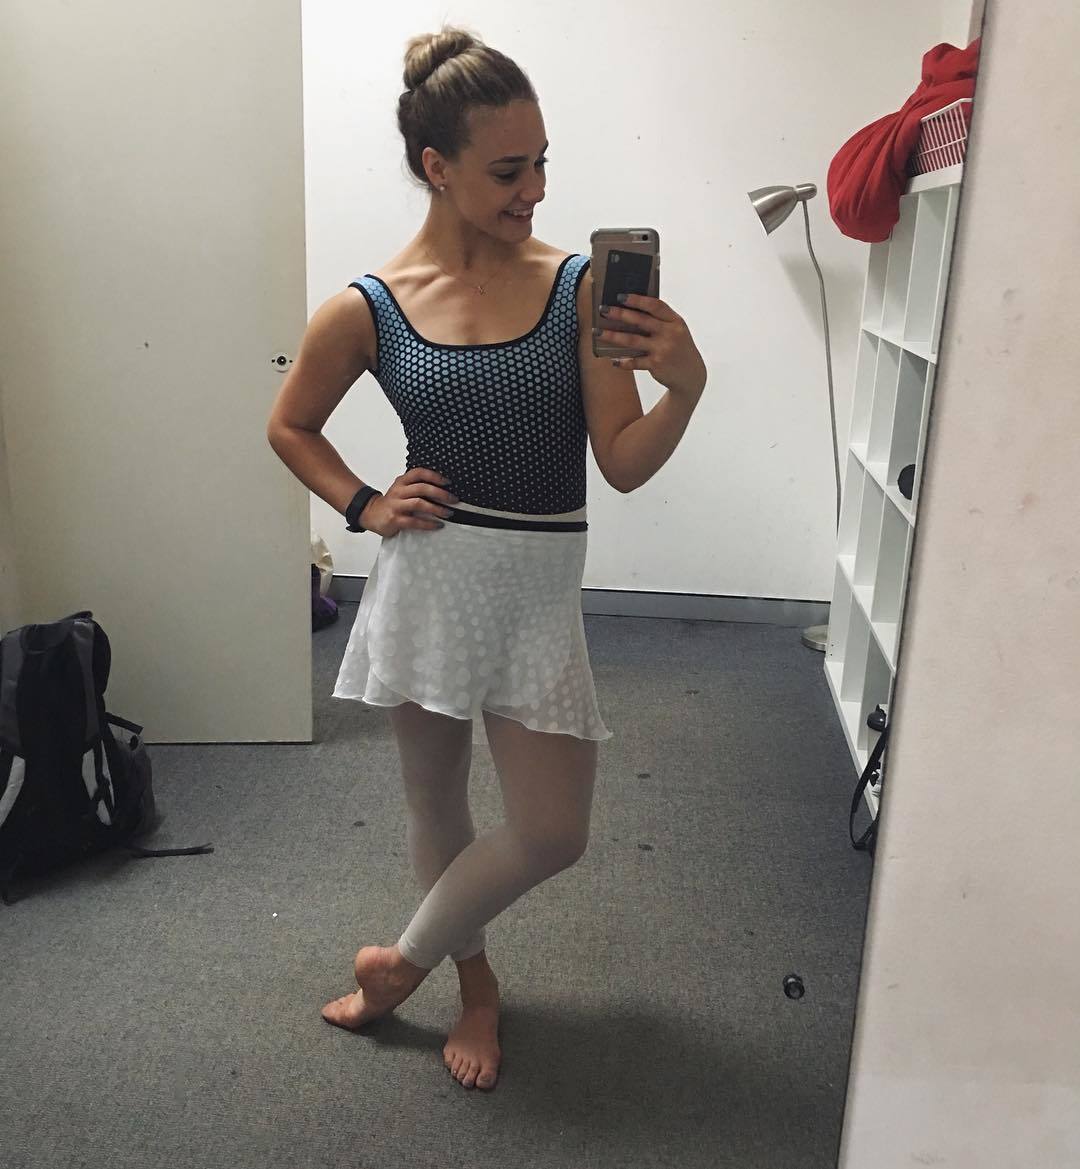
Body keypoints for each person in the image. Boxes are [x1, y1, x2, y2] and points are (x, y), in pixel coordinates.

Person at [266, 26, 707, 1093]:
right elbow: (290, 424)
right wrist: (365, 504)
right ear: (437, 165)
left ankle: (398, 964)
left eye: (542, 162)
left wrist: (686, 386)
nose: (536, 191)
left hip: (535, 589)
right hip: (429, 577)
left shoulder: (579, 288)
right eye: (510, 171)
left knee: (553, 829)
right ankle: (472, 984)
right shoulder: (369, 306)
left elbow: (622, 462)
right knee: (438, 806)